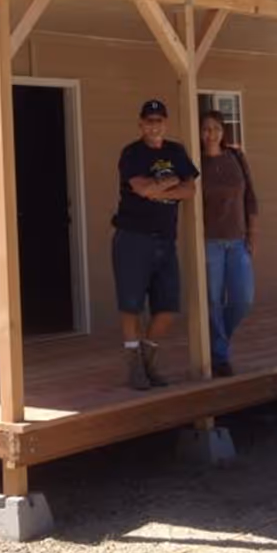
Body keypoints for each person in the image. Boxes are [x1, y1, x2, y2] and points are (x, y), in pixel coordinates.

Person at [112, 98, 199, 390]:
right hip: (133, 238)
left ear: (166, 123)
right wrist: (169, 183)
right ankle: (134, 366)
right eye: (149, 121)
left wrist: (163, 187)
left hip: (165, 239)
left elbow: (191, 190)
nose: (154, 125)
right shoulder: (132, 153)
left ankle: (148, 359)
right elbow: (143, 189)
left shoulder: (176, 151)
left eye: (159, 120)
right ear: (141, 124)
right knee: (131, 305)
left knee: (168, 306)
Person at [199, 109, 258, 377]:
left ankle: (219, 342)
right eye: (206, 129)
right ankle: (220, 356)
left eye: (216, 128)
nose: (211, 134)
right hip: (210, 241)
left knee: (242, 299)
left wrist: (252, 234)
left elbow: (251, 198)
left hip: (237, 241)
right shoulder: (196, 163)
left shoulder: (236, 157)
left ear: (223, 132)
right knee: (212, 300)